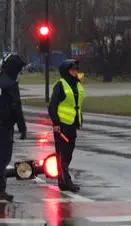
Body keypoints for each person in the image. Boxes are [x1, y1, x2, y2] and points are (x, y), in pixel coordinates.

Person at [0, 53, 27, 201]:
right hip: (5, 127)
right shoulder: (11, 85)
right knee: (3, 158)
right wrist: (22, 127)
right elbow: (16, 108)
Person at [48, 59, 85, 193]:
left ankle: (62, 181)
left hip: (73, 124)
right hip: (62, 125)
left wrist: (80, 118)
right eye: (72, 70)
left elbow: (77, 104)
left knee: (68, 154)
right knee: (63, 154)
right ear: (66, 71)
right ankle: (66, 181)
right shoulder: (61, 85)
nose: (75, 72)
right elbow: (52, 105)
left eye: (76, 70)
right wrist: (56, 123)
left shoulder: (77, 84)